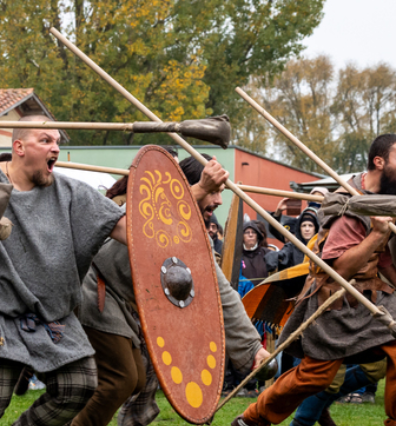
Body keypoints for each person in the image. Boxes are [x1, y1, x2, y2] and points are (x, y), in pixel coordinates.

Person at [0, 113, 128, 426]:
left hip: (50, 319)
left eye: (57, 141)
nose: (54, 147)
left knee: (78, 385)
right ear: (19, 147)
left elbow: (129, 230)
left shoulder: (72, 193)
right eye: (45, 140)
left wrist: (181, 217)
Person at [233, 134, 396, 426]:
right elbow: (338, 268)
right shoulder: (349, 206)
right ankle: (252, 419)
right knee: (316, 375)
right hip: (335, 299)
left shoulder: (390, 200)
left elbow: (383, 251)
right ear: (379, 162)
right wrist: (374, 233)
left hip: (371, 297)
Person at [70, 153, 270, 426]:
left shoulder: (196, 240)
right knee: (122, 379)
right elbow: (147, 224)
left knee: (138, 379)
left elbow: (220, 293)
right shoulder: (142, 206)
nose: (219, 201)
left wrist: (252, 348)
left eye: (220, 193)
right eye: (214, 192)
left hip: (132, 311)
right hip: (98, 290)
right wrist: (200, 188)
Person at [265, 208, 319, 272]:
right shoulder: (291, 247)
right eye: (304, 226)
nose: (307, 229)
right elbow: (283, 254)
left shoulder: (321, 245)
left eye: (310, 226)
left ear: (315, 229)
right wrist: (272, 255)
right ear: (299, 229)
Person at [241, 221, 272, 286]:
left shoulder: (268, 253)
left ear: (258, 236)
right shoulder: (236, 255)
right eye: (247, 232)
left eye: (254, 232)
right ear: (242, 236)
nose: (250, 235)